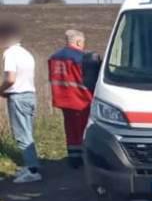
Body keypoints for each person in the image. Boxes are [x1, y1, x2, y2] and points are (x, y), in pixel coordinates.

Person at [48, 29, 95, 169]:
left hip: (63, 99)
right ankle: (85, 158)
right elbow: (90, 80)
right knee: (84, 130)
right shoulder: (83, 58)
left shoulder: (54, 57)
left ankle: (74, 158)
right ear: (79, 42)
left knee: (70, 130)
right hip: (82, 99)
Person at [1, 20, 40, 184]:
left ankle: (32, 170)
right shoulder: (26, 53)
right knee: (28, 133)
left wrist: (1, 90)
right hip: (30, 95)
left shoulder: (10, 54)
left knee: (22, 135)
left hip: (18, 97)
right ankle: (31, 165)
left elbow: (10, 78)